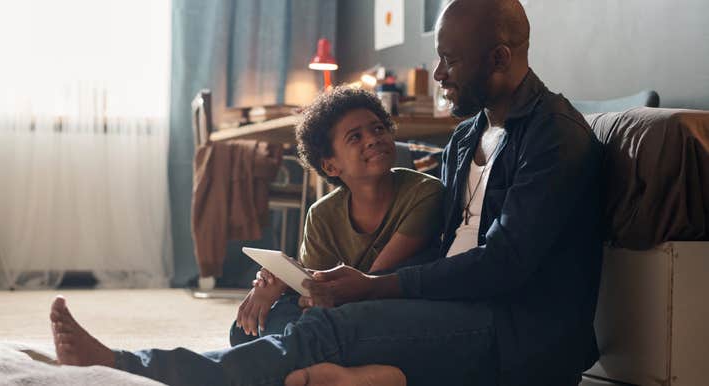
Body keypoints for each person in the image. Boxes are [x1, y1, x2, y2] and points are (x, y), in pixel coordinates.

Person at [50, 0, 604, 385]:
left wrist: (376, 288)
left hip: (516, 335)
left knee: (329, 329)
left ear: (500, 59)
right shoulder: (467, 134)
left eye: (450, 60)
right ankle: (374, 379)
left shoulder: (555, 137)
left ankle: (128, 367)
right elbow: (443, 239)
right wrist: (293, 281)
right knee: (276, 318)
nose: (437, 73)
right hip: (452, 307)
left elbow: (503, 266)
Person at [230, 87, 444, 344]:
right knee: (245, 329)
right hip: (337, 308)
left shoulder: (425, 192)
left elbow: (371, 283)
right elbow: (312, 293)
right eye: (355, 137)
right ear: (331, 165)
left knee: (304, 327)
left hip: (385, 306)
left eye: (378, 129)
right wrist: (276, 283)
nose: (373, 139)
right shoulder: (321, 213)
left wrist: (293, 288)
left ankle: (291, 351)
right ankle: (295, 349)